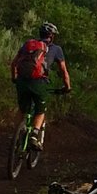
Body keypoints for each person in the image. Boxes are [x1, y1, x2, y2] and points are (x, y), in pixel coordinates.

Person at [10, 21, 71, 150]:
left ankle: (17, 136)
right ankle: (34, 135)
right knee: (40, 111)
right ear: (52, 36)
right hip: (39, 82)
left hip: (22, 81)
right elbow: (63, 71)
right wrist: (67, 87)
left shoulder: (28, 45)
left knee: (22, 109)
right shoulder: (56, 49)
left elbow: (14, 64)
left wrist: (15, 78)